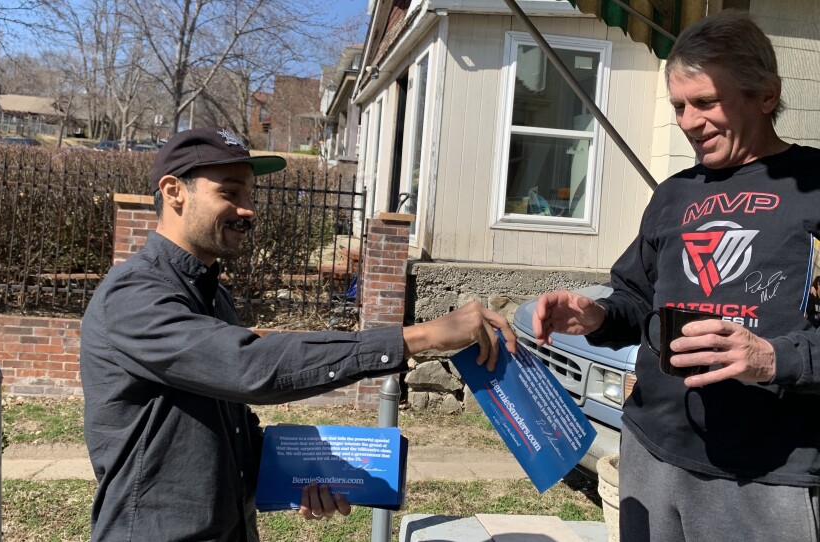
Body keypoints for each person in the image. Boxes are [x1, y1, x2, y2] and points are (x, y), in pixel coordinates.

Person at [79, 127, 517, 541]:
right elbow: (249, 367)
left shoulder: (211, 294)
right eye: (229, 192)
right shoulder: (133, 295)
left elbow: (228, 424)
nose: (247, 209)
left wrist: (304, 474)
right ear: (174, 191)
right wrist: (419, 337)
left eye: (249, 194)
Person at [531, 11, 820, 541]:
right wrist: (596, 315)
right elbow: (637, 301)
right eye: (679, 106)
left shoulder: (814, 186)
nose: (688, 121)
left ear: (767, 95)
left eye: (705, 102)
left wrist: (775, 359)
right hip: (652, 447)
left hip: (767, 474)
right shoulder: (673, 194)